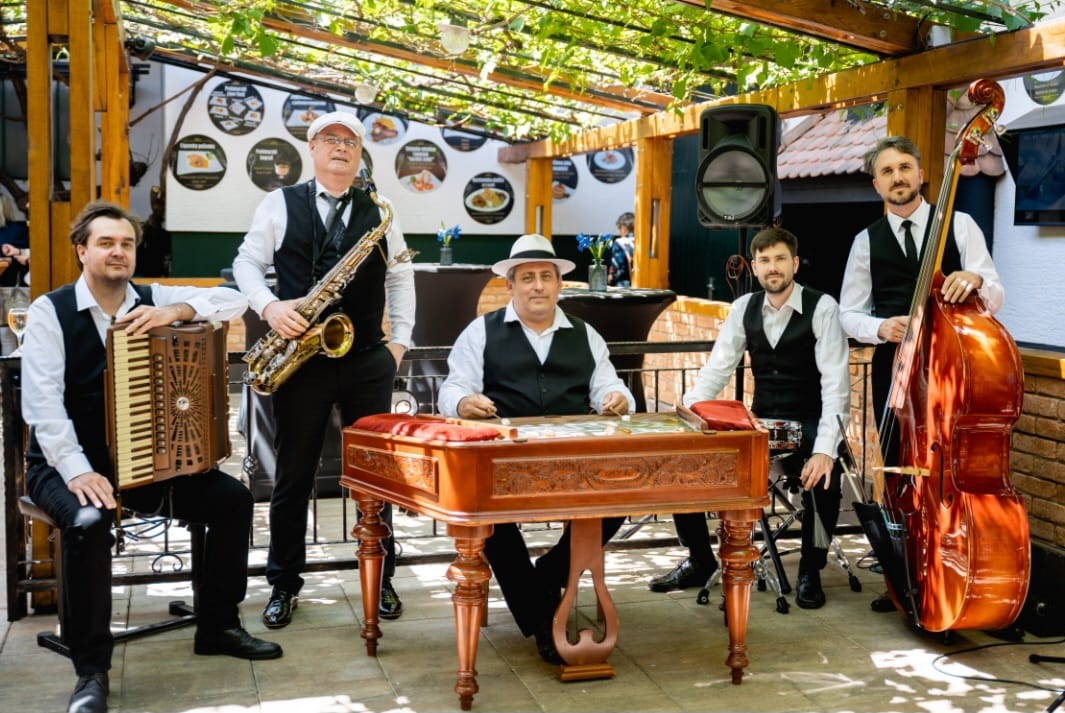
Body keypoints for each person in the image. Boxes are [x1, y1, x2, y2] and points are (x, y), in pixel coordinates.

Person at [21, 201, 281, 713]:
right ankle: (91, 670)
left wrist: (174, 311)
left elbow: (231, 300)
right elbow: (42, 405)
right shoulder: (51, 311)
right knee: (89, 523)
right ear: (82, 251)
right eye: (106, 243)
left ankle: (218, 626)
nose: (118, 251)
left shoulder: (151, 296)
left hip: (143, 464)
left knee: (232, 500)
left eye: (127, 243)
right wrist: (78, 470)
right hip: (62, 465)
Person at [233, 110, 416, 628]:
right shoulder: (279, 203)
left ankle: (381, 578)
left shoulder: (381, 209)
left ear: (359, 154)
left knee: (375, 476)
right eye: (330, 139)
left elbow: (400, 278)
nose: (341, 147)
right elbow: (246, 263)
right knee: (293, 475)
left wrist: (399, 342)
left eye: (350, 142)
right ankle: (283, 584)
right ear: (311, 149)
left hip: (366, 359)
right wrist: (270, 307)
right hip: (302, 360)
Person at [438, 233, 635, 663]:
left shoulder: (586, 335)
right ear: (510, 285)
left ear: (559, 284)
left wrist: (618, 398)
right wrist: (463, 402)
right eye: (527, 278)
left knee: (620, 498)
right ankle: (543, 619)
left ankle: (545, 573)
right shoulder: (480, 332)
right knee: (489, 522)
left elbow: (611, 386)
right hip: (505, 462)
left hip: (573, 460)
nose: (538, 286)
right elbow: (452, 388)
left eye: (546, 276)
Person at [838, 135, 1004, 611]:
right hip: (896, 366)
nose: (898, 177)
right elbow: (849, 313)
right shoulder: (864, 241)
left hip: (955, 364)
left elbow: (996, 293)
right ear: (877, 184)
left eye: (904, 167)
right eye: (887, 171)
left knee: (953, 466)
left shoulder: (960, 224)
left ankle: (960, 566)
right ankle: (904, 574)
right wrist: (878, 327)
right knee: (900, 469)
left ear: (921, 174)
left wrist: (975, 278)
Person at [649, 227, 851, 609]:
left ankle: (811, 567)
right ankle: (699, 558)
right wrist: (688, 415)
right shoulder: (744, 308)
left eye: (780, 259)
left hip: (810, 419)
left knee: (826, 479)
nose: (772, 267)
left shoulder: (823, 307)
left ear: (794, 263)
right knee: (684, 461)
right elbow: (716, 371)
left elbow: (836, 387)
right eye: (764, 260)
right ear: (755, 268)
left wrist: (825, 450)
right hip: (762, 423)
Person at [607, 211, 635, 287]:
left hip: (624, 285)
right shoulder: (642, 243)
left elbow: (618, 269)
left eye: (619, 228)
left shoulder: (619, 242)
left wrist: (611, 278)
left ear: (623, 227)